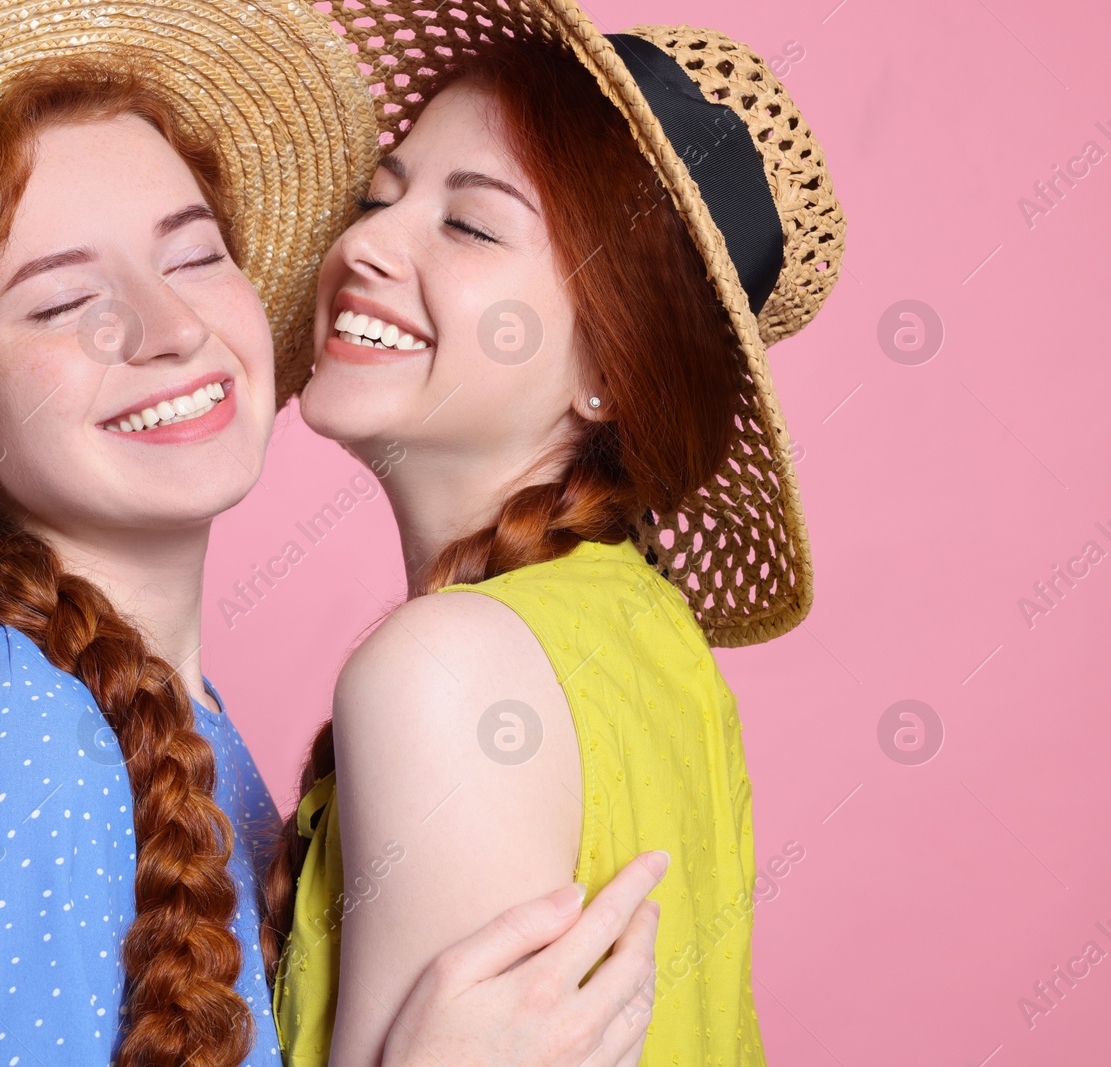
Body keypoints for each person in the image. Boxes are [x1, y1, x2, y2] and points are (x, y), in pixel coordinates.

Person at [0, 1, 668, 1064]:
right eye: (64, 302)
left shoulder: (155, 720)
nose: (172, 328)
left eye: (192, 256)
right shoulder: (9, 746)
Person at [265, 9, 847, 1067]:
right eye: (377, 196)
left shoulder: (445, 671)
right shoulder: (644, 634)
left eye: (471, 227)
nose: (365, 244)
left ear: (611, 368)